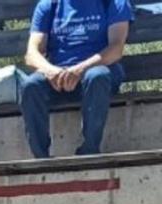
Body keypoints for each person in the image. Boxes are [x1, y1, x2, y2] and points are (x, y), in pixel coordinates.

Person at [22, 0, 131, 159]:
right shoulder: (49, 5)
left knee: (97, 76)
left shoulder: (114, 3)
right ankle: (40, 157)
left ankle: (89, 150)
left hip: (99, 72)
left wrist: (80, 69)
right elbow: (32, 54)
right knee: (30, 85)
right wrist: (51, 71)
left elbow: (116, 48)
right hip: (59, 76)